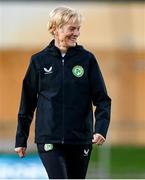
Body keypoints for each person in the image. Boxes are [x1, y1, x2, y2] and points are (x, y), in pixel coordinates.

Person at [15, 6, 111, 179]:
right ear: (55, 29)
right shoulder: (39, 61)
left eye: (78, 28)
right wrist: (21, 138)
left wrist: (101, 129)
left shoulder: (87, 59)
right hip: (49, 139)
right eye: (72, 28)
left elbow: (103, 100)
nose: (77, 33)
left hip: (80, 139)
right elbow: (27, 103)